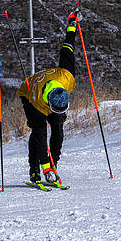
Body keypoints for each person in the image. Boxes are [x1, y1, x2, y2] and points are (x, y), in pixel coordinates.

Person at [17, 10, 78, 188]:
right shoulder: (37, 100)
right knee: (39, 130)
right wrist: (45, 167)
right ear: (49, 103)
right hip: (29, 94)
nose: (58, 112)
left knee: (58, 129)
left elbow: (67, 48)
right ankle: (36, 169)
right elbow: (41, 136)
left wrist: (72, 25)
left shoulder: (67, 77)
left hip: (53, 88)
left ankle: (54, 164)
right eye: (55, 109)